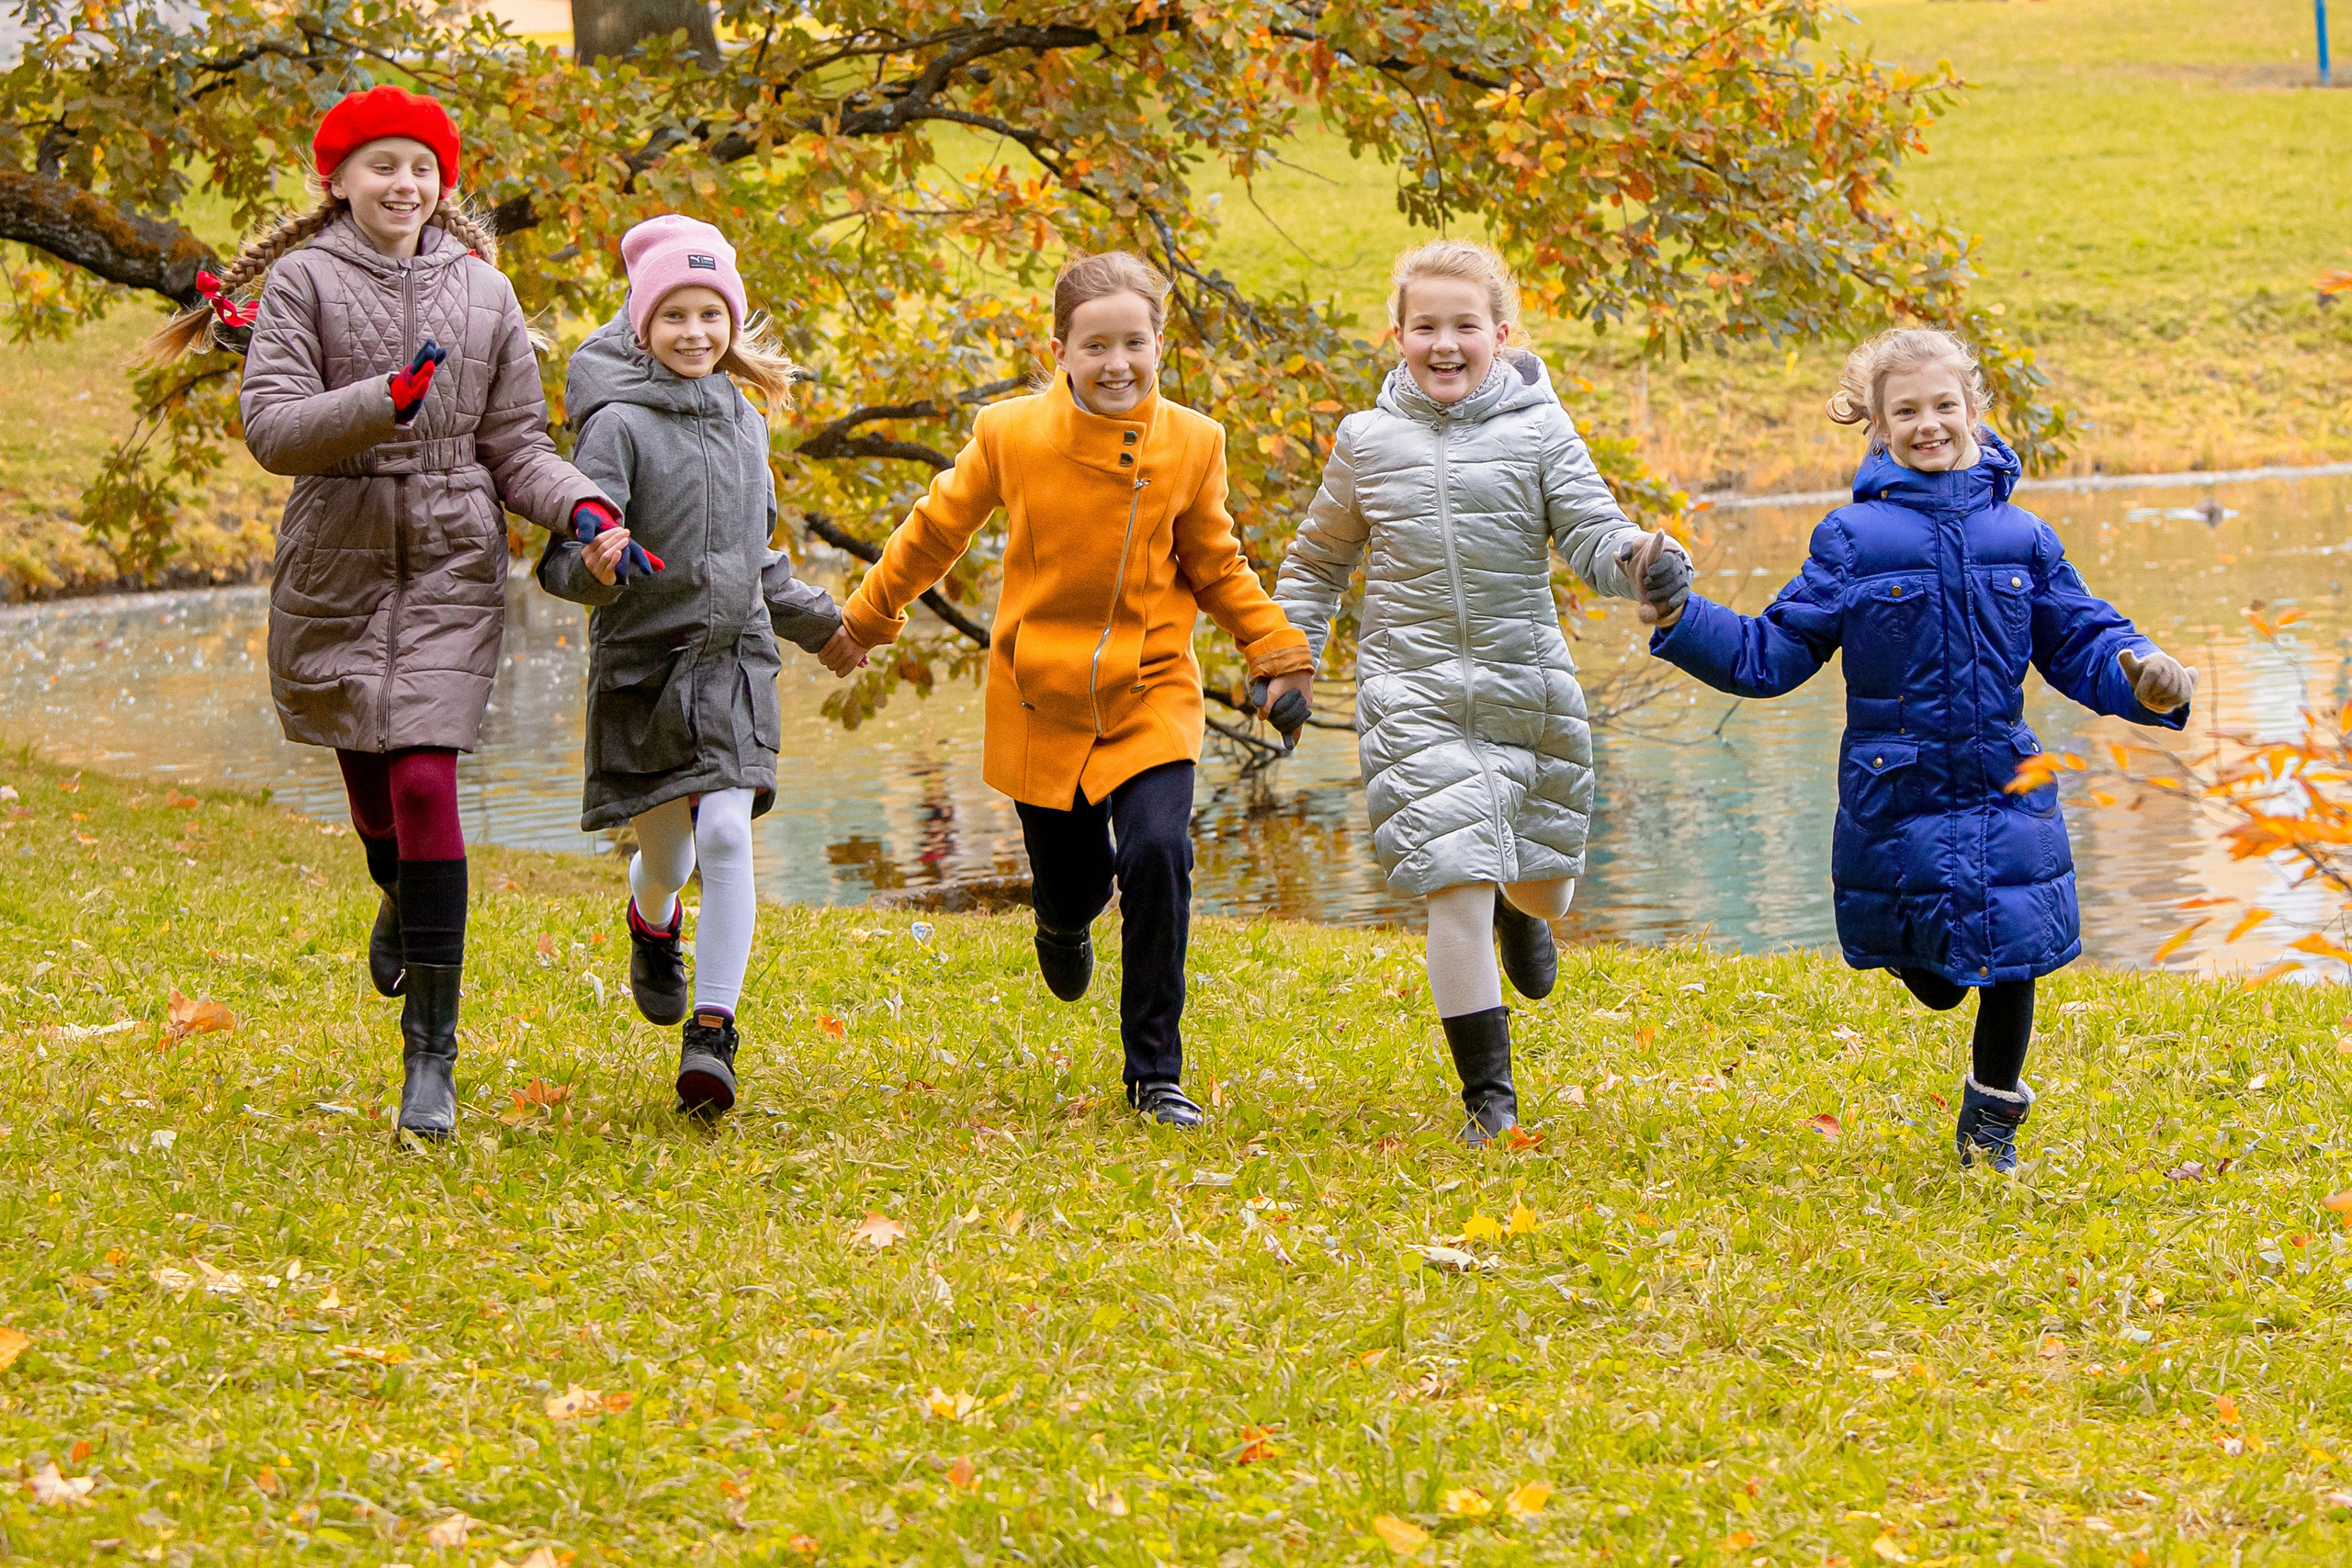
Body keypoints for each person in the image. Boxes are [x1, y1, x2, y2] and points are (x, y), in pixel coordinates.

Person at [151, 86, 618, 1142]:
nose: (404, 184)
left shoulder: (486, 293)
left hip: (453, 558)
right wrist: (382, 401)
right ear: (339, 180)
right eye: (382, 167)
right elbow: (271, 428)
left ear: (442, 181)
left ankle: (431, 1061)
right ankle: (394, 888)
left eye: (421, 167)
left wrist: (585, 507)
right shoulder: (305, 282)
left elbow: (516, 446)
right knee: (370, 784)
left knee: (422, 772)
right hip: (338, 557)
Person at [1641, 327, 2196, 1172]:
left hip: (2003, 780)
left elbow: (2086, 640)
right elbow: (1772, 651)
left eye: (1945, 405)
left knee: (2016, 957)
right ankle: (1936, 985)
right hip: (1897, 794)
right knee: (1937, 978)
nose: (1929, 423)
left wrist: (2148, 680)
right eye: (1907, 411)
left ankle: (1991, 1131)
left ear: (1975, 410)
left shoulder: (2024, 536)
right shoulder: (1853, 539)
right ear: (1876, 427)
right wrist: (1682, 618)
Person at [818, 252, 1314, 1129]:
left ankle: (1155, 1070)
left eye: (1135, 343)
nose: (1117, 363)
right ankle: (1060, 918)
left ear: (1160, 344)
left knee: (1159, 855)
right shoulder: (1011, 434)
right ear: (1060, 350)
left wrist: (1276, 651)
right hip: (1041, 693)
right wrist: (863, 619)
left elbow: (1217, 563)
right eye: (1096, 346)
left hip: (1150, 689)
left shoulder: (1193, 443)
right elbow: (936, 531)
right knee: (1076, 880)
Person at [1272, 240, 1689, 1145]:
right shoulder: (1364, 442)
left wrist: (1643, 563)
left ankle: (1522, 909)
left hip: (1523, 684)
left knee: (1545, 893)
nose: (1445, 343)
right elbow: (1314, 563)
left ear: (1501, 335)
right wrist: (1286, 659)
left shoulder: (1540, 430)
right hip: (1408, 693)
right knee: (1450, 880)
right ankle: (1489, 1105)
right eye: (1426, 326)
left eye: (1465, 326)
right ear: (1397, 336)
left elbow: (1592, 535)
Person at [536, 215, 840, 1118]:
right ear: (642, 325)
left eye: (712, 313)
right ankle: (650, 916)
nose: (696, 332)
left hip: (734, 668)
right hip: (646, 671)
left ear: (732, 323)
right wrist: (592, 564)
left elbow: (759, 560)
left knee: (726, 837)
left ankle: (712, 1034)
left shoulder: (748, 425)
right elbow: (560, 560)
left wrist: (829, 628)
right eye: (675, 315)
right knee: (666, 856)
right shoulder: (616, 427)